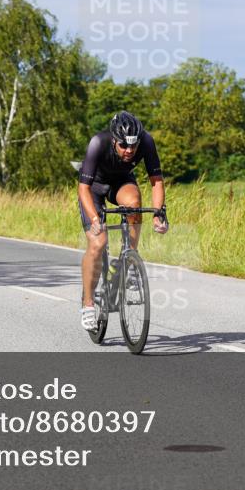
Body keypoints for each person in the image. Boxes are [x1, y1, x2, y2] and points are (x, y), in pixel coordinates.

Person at [77, 111, 168, 331]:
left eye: (133, 146)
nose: (129, 151)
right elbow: (83, 189)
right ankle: (88, 305)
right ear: (114, 141)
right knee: (98, 243)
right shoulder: (98, 143)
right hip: (94, 188)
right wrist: (94, 219)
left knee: (134, 203)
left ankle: (129, 260)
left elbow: (156, 180)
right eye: (123, 146)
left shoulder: (146, 141)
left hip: (121, 183)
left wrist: (158, 213)